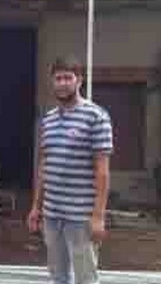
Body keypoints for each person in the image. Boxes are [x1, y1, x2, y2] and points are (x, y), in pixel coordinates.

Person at [27, 56, 113, 284]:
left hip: (81, 217)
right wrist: (36, 207)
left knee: (85, 278)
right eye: (58, 78)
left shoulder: (96, 117)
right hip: (52, 215)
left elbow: (103, 172)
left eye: (68, 78)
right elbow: (44, 165)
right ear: (52, 82)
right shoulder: (48, 121)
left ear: (79, 80)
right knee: (58, 277)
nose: (63, 83)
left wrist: (98, 217)